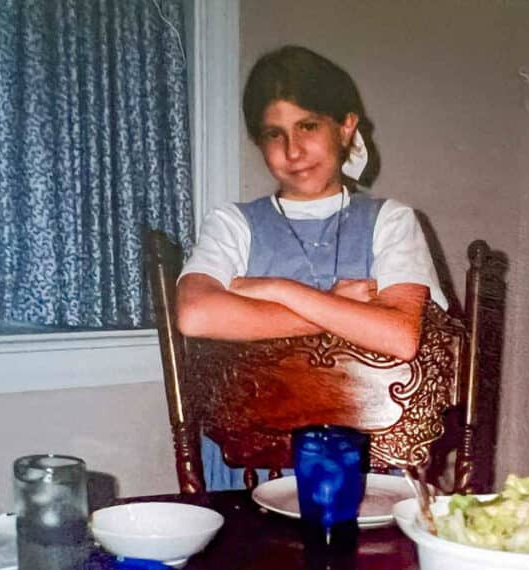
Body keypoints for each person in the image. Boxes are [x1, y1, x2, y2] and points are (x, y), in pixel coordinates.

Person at [176, 45, 447, 489]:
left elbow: (399, 336)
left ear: (344, 128)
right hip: (250, 467)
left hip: (371, 464)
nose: (293, 150)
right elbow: (195, 314)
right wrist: (337, 310)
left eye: (308, 126)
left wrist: (279, 289)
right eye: (273, 134)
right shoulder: (233, 223)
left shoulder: (392, 220)